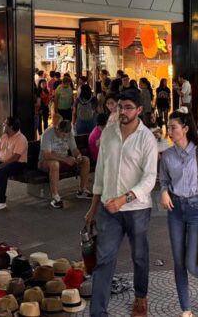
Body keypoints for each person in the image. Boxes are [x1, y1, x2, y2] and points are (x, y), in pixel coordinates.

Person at [85, 90, 158, 317]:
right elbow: (100, 172)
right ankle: (98, 312)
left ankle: (141, 297)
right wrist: (93, 207)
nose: (123, 112)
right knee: (104, 259)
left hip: (137, 209)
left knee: (139, 256)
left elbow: (150, 179)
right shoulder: (108, 133)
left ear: (139, 110)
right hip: (108, 209)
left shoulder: (146, 138)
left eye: (128, 107)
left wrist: (124, 199)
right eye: (120, 107)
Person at [160, 110, 198, 317]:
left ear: (185, 129)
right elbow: (164, 181)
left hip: (197, 209)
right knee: (178, 263)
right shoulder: (167, 155)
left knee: (191, 263)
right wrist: (163, 192)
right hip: (175, 210)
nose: (169, 132)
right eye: (169, 127)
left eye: (173, 128)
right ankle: (186, 310)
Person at [38, 119, 91, 209]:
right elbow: (46, 155)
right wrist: (65, 160)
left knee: (85, 160)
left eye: (66, 135)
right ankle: (55, 197)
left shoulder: (69, 134)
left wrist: (78, 156)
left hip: (64, 159)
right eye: (62, 135)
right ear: (57, 129)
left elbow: (74, 149)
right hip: (46, 161)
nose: (64, 137)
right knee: (55, 164)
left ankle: (82, 190)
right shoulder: (48, 134)